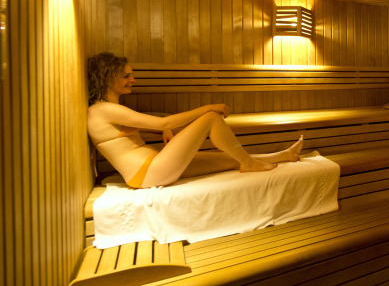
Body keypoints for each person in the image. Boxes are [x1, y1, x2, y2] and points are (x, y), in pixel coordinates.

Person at [86, 52, 304, 189]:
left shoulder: (109, 109)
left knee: (229, 158)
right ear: (107, 77)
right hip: (149, 172)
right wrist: (207, 108)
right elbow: (164, 123)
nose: (132, 80)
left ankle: (284, 155)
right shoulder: (103, 110)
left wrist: (161, 129)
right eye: (126, 76)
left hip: (154, 166)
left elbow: (148, 124)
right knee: (210, 118)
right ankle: (249, 164)